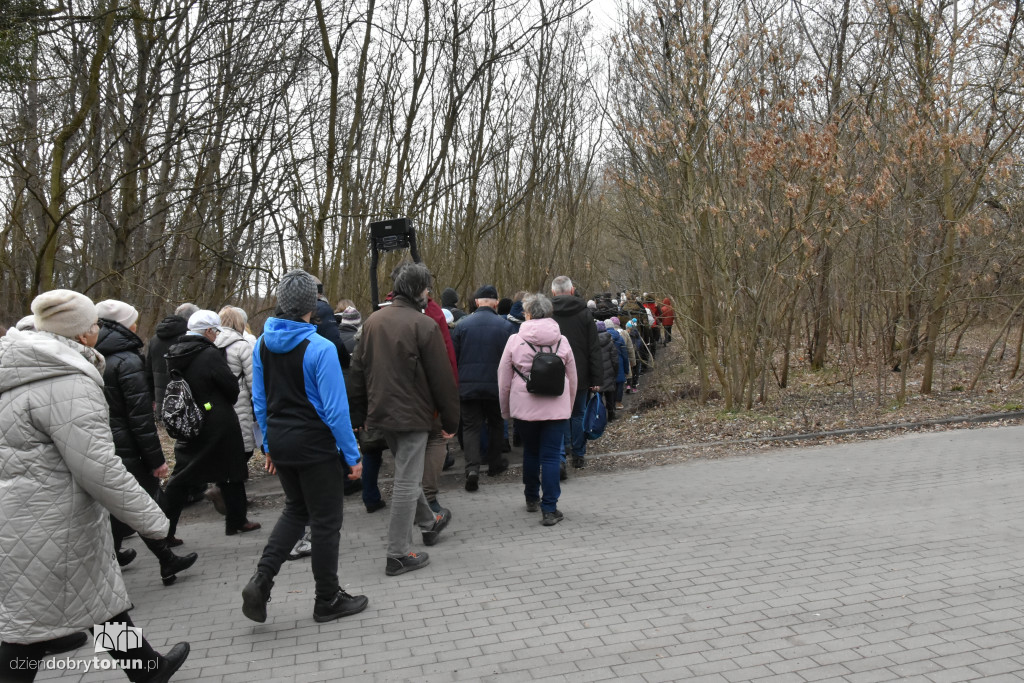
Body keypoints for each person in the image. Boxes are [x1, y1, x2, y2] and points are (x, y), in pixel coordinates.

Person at [0, 290, 189, 682]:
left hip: (24, 514)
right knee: (26, 634)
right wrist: (154, 520)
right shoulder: (67, 381)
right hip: (54, 520)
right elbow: (99, 468)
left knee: (95, 600)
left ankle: (147, 668)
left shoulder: (18, 370)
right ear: (81, 334)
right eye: (93, 324)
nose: (97, 329)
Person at [242, 269, 368, 623]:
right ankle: (327, 599)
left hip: (281, 441)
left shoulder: (263, 343)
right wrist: (352, 454)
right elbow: (335, 410)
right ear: (312, 306)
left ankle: (261, 580)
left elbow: (260, 400)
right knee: (326, 522)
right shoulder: (320, 347)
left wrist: (268, 444)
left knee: (297, 510)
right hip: (314, 445)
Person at [348, 262, 460, 576]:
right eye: (426, 288)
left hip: (382, 413)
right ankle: (397, 553)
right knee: (406, 483)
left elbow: (358, 371)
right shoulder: (424, 326)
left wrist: (358, 414)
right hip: (413, 416)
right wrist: (451, 422)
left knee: (406, 473)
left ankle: (430, 521)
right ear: (416, 291)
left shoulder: (372, 322)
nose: (428, 294)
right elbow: (442, 379)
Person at [94, 299, 199, 586]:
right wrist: (156, 460)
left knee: (124, 502)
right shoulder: (126, 360)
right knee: (143, 502)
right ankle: (164, 558)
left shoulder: (93, 357)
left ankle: (134, 556)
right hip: (126, 446)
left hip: (107, 444)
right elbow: (139, 417)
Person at [161, 311, 258, 540]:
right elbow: (231, 387)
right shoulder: (208, 354)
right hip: (218, 420)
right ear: (207, 331)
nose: (216, 336)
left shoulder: (174, 353)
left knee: (182, 477)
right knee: (231, 471)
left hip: (190, 421)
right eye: (215, 331)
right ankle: (236, 521)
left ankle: (164, 530)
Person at [497, 294, 577, 526]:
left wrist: (505, 410)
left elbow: (503, 380)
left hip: (525, 407)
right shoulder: (562, 341)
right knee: (551, 456)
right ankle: (550, 509)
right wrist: (568, 407)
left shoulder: (515, 340)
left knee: (531, 452)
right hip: (556, 407)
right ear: (549, 313)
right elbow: (572, 378)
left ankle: (531, 497)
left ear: (527, 314)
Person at [450, 284, 516, 490]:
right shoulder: (505, 327)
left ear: (477, 302)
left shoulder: (462, 326)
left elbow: (454, 357)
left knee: (471, 427)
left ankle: (472, 468)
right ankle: (495, 463)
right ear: (496, 303)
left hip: (468, 386)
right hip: (496, 385)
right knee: (496, 423)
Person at [550, 276, 603, 469]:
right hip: (580, 372)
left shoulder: (547, 313)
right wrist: (597, 378)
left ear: (554, 292)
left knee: (559, 414)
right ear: (572, 291)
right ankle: (579, 454)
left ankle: (562, 454)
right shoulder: (584, 312)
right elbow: (594, 348)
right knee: (578, 413)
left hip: (553, 372)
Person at [146, 302, 198, 422]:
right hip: (184, 402)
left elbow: (148, 371)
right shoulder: (188, 339)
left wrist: (152, 399)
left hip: (161, 402)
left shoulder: (154, 339)